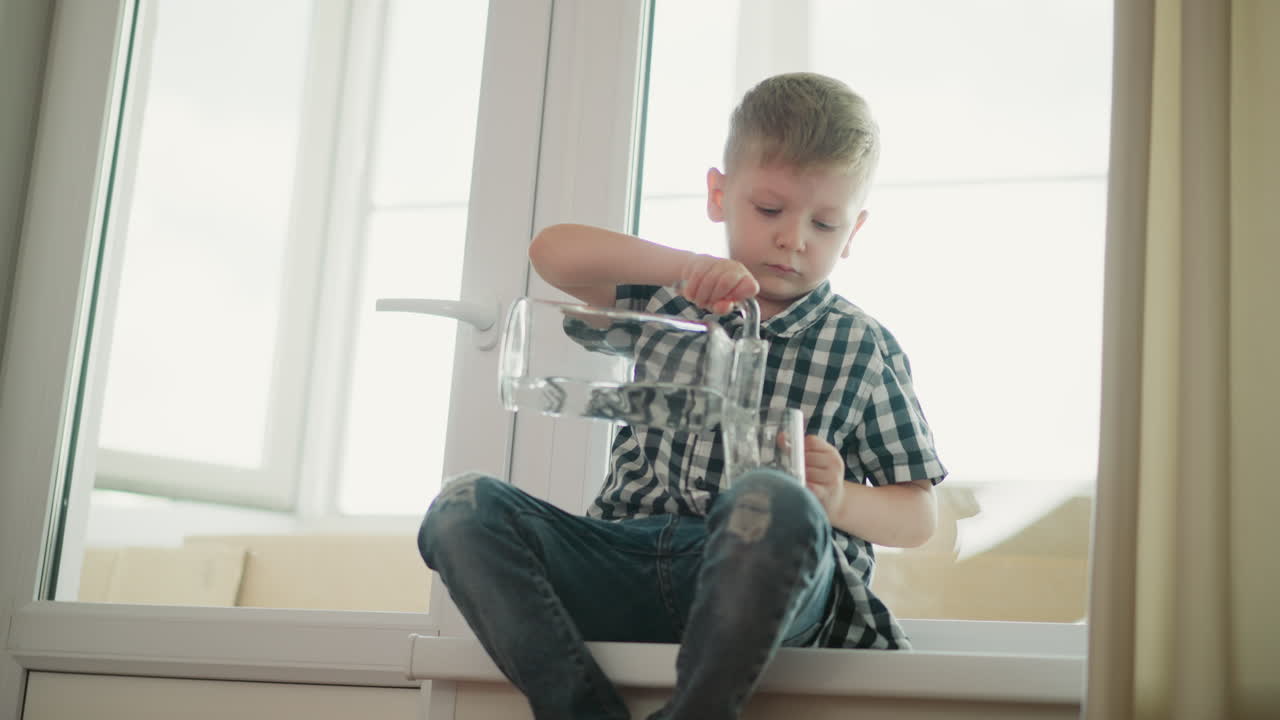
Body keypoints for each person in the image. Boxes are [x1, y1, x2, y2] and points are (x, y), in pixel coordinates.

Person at [417, 71, 947, 720]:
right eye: (771, 210)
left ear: (855, 231)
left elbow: (919, 516)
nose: (794, 239)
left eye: (826, 223)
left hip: (767, 579)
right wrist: (680, 268)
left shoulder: (863, 347)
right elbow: (551, 253)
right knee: (461, 508)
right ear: (719, 195)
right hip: (625, 556)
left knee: (771, 496)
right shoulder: (667, 297)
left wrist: (838, 499)